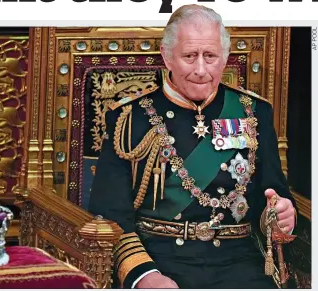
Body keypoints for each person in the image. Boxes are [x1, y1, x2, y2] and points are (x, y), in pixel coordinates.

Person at [89, 4, 297, 289]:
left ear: (224, 57)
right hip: (160, 259)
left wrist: (280, 213)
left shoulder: (254, 112)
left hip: (240, 262)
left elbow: (273, 194)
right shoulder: (130, 117)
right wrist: (142, 275)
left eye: (210, 56)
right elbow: (109, 210)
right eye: (189, 56)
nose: (201, 70)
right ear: (167, 56)